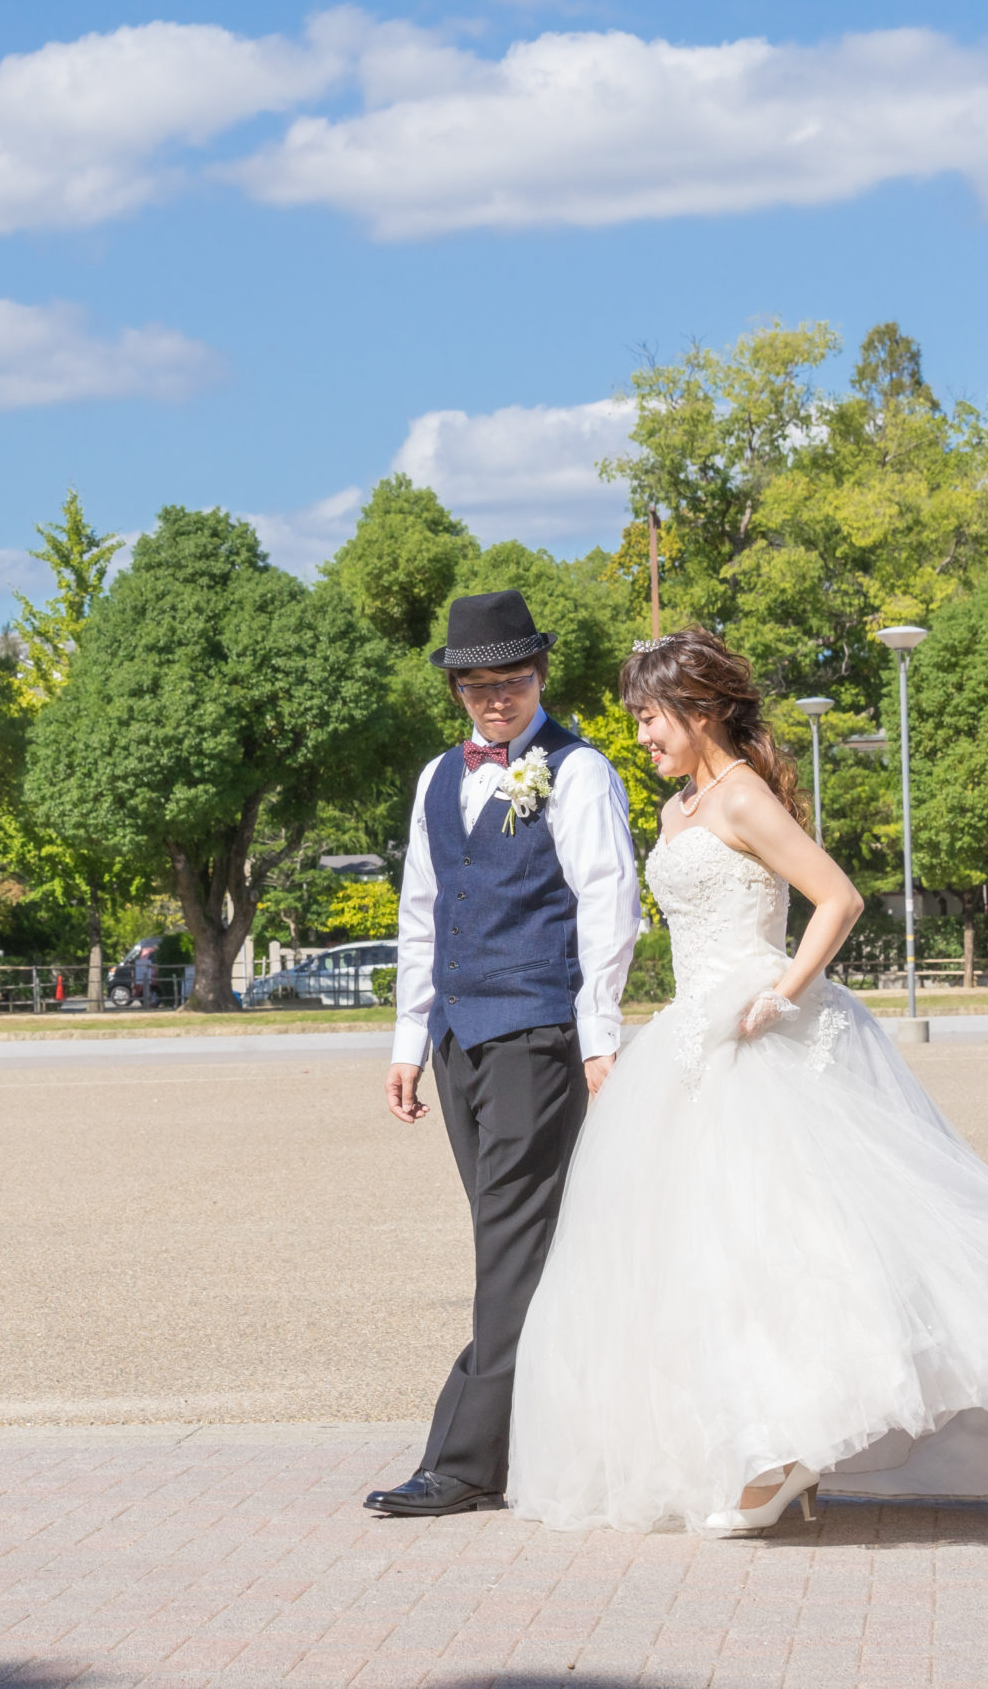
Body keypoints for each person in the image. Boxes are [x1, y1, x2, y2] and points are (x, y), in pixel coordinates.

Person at [508, 630, 988, 1536]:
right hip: (689, 1038)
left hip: (760, 1027)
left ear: (698, 711)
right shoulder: (677, 810)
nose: (644, 736)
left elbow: (839, 897)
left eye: (652, 717)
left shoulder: (742, 795)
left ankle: (785, 1451)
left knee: (797, 1242)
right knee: (709, 1256)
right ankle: (762, 1447)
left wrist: (782, 993)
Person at [365, 590, 644, 1518]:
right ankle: (572, 1433)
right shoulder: (437, 778)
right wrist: (409, 1038)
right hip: (457, 1038)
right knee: (523, 1242)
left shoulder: (580, 771)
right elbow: (420, 910)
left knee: (510, 1244)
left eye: (514, 682)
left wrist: (599, 1036)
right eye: (479, 685)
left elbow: (609, 907)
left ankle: (467, 1459)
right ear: (455, 687)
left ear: (541, 678)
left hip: (537, 1034)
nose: (497, 700)